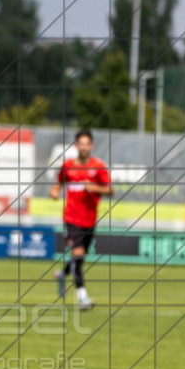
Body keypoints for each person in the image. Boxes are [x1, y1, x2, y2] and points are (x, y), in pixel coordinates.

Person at [49, 128, 113, 310]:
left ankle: (62, 274)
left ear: (91, 146)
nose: (84, 148)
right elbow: (58, 184)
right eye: (81, 144)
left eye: (87, 144)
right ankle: (82, 297)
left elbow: (110, 190)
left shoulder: (98, 167)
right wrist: (54, 191)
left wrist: (95, 188)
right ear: (76, 146)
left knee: (80, 257)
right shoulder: (68, 166)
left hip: (90, 219)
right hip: (71, 217)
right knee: (77, 255)